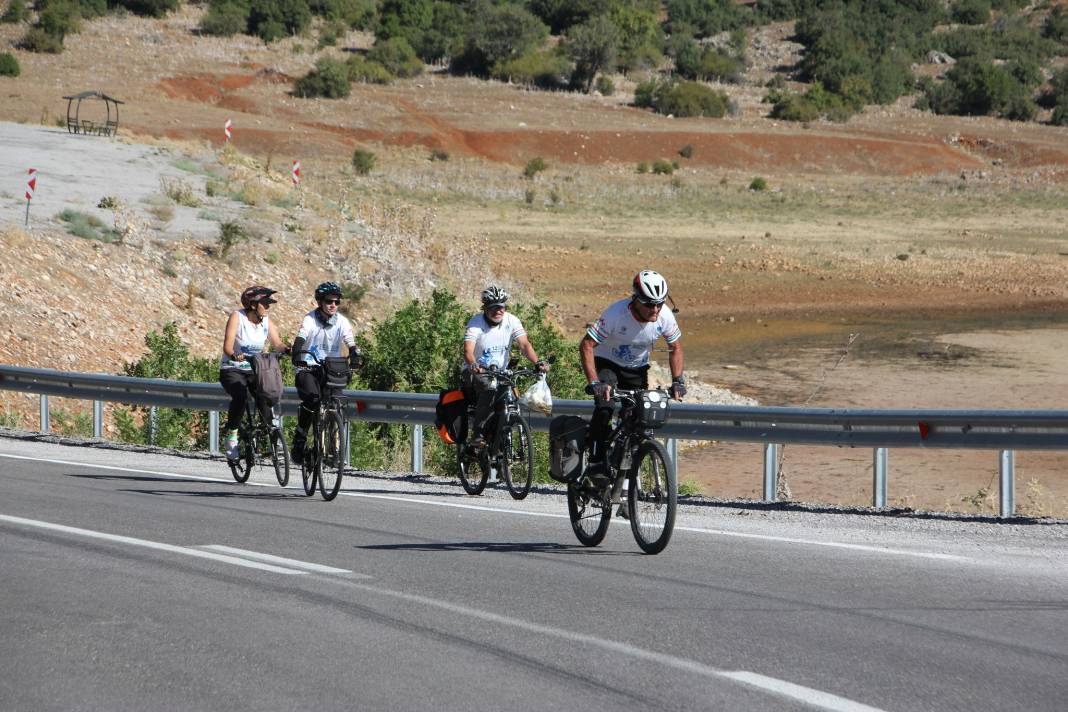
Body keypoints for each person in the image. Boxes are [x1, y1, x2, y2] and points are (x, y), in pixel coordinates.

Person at [579, 270, 686, 478]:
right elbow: (586, 345)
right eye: (649, 304)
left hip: (636, 369)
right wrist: (594, 382)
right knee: (605, 406)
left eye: (660, 303)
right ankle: (596, 462)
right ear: (636, 299)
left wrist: (677, 381)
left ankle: (627, 477)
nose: (655, 309)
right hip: (607, 364)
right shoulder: (615, 314)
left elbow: (676, 348)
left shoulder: (664, 315)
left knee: (641, 418)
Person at [462, 286, 549, 449]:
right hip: (477, 369)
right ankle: (478, 433)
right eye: (493, 307)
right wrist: (473, 364)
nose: (498, 311)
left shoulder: (512, 320)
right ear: (485, 308)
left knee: (510, 392)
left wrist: (537, 362)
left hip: (501, 370)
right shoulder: (475, 323)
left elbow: (524, 345)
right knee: (489, 387)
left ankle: (501, 433)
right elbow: (468, 351)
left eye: (501, 307)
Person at [289, 281, 363, 462]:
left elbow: (350, 341)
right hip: (308, 367)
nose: (333, 305)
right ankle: (300, 438)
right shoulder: (310, 319)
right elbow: (301, 338)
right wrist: (297, 354)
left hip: (331, 369)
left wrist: (354, 353)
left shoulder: (342, 322)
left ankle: (334, 447)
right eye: (329, 301)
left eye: (337, 302)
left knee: (337, 402)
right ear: (320, 302)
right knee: (312, 399)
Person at [220, 285, 289, 460]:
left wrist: (288, 350)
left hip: (255, 368)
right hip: (232, 368)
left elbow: (277, 343)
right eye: (264, 303)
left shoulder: (266, 320)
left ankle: (273, 438)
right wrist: (235, 355)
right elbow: (227, 346)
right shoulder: (237, 317)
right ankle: (232, 438)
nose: (268, 306)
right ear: (252, 305)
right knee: (241, 396)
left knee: (264, 395)